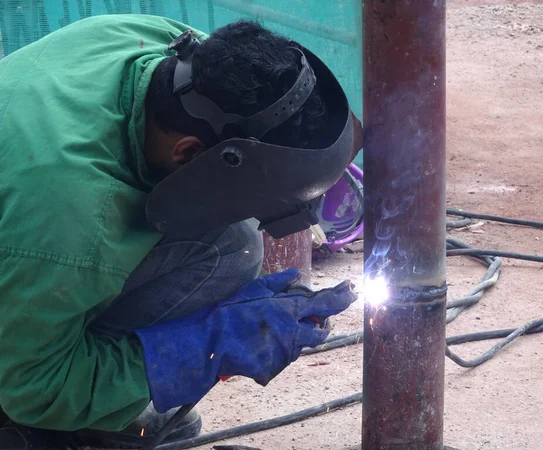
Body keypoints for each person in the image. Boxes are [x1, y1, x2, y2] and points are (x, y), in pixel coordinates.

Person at [0, 13, 363, 450]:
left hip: (28, 228)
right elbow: (34, 387)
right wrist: (204, 344)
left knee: (232, 246)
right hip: (33, 237)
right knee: (37, 390)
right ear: (188, 153)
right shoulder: (68, 222)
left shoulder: (165, 49)